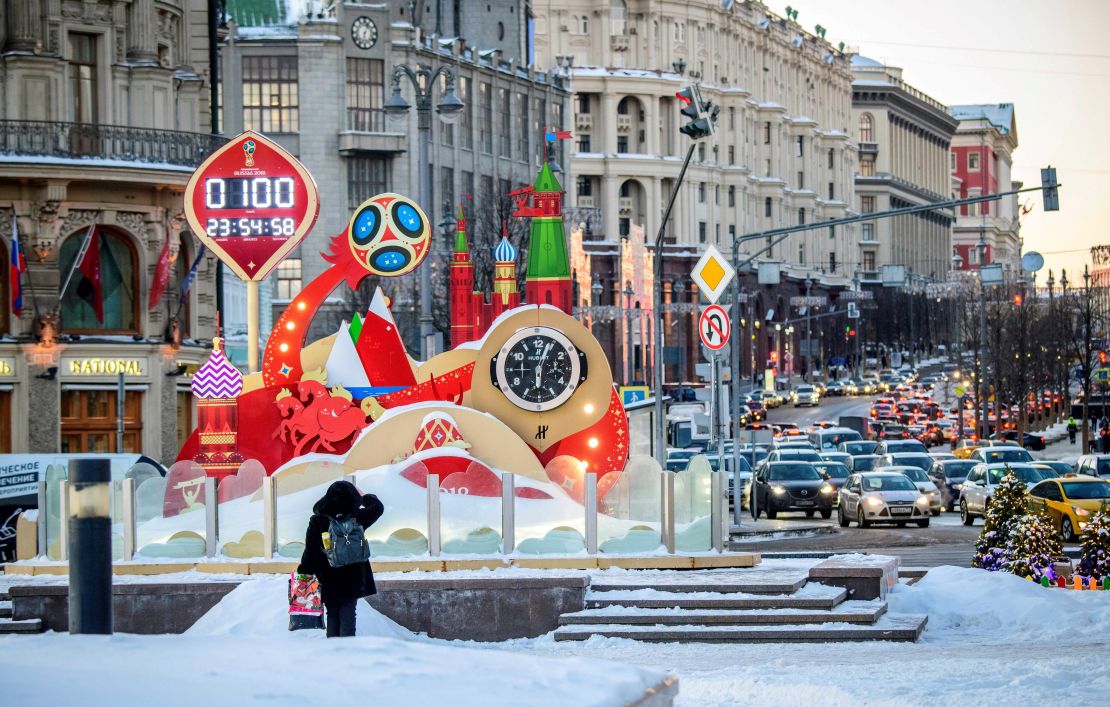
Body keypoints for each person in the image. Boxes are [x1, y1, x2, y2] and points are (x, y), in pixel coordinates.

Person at [297, 480, 384, 638]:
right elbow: (378, 508)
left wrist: (304, 572)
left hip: (328, 575)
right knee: (349, 611)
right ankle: (347, 651)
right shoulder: (357, 518)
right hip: (353, 576)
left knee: (332, 613)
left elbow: (310, 550)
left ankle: (334, 652)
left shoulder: (317, 521)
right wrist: (364, 497)